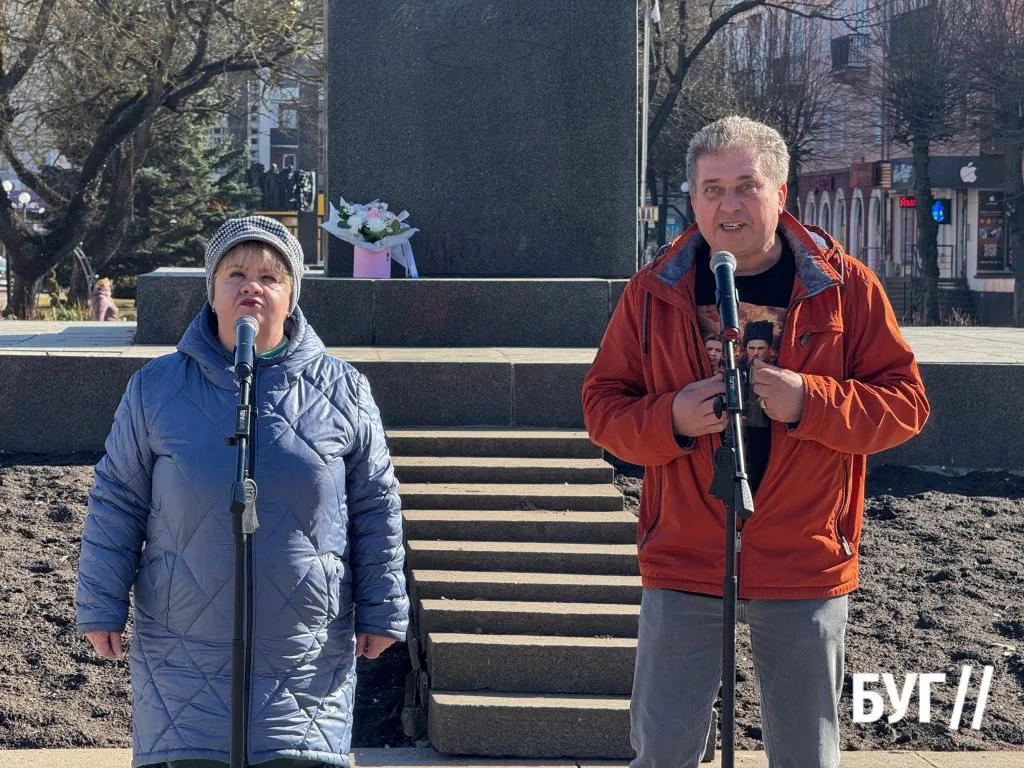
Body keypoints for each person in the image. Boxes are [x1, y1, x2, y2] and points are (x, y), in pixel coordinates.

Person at [582, 116, 929, 768]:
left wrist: (810, 401)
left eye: (747, 185)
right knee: (662, 754)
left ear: (781, 193)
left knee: (805, 756)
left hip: (804, 560)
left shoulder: (845, 288)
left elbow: (906, 406)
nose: (729, 204)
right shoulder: (652, 292)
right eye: (712, 189)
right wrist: (672, 419)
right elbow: (603, 409)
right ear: (693, 199)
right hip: (685, 556)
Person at [75, 216, 408, 768]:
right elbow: (118, 500)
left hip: (304, 655)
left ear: (292, 295)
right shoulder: (157, 387)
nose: (251, 286)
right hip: (184, 656)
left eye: (270, 276)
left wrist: (381, 607)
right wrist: (100, 603)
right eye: (235, 273)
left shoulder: (344, 388)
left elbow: (375, 504)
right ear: (212, 292)